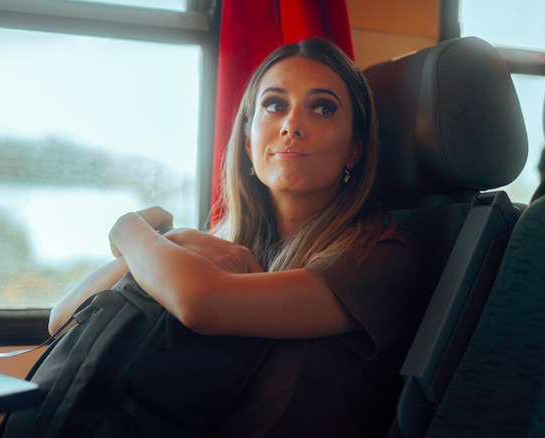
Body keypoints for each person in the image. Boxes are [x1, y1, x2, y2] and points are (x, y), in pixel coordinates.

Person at [49, 38, 422, 436]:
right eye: (275, 104)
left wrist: (129, 229)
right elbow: (63, 320)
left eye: (323, 108)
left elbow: (202, 302)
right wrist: (163, 239)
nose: (292, 124)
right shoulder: (225, 247)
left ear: (354, 150)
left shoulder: (379, 255)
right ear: (248, 141)